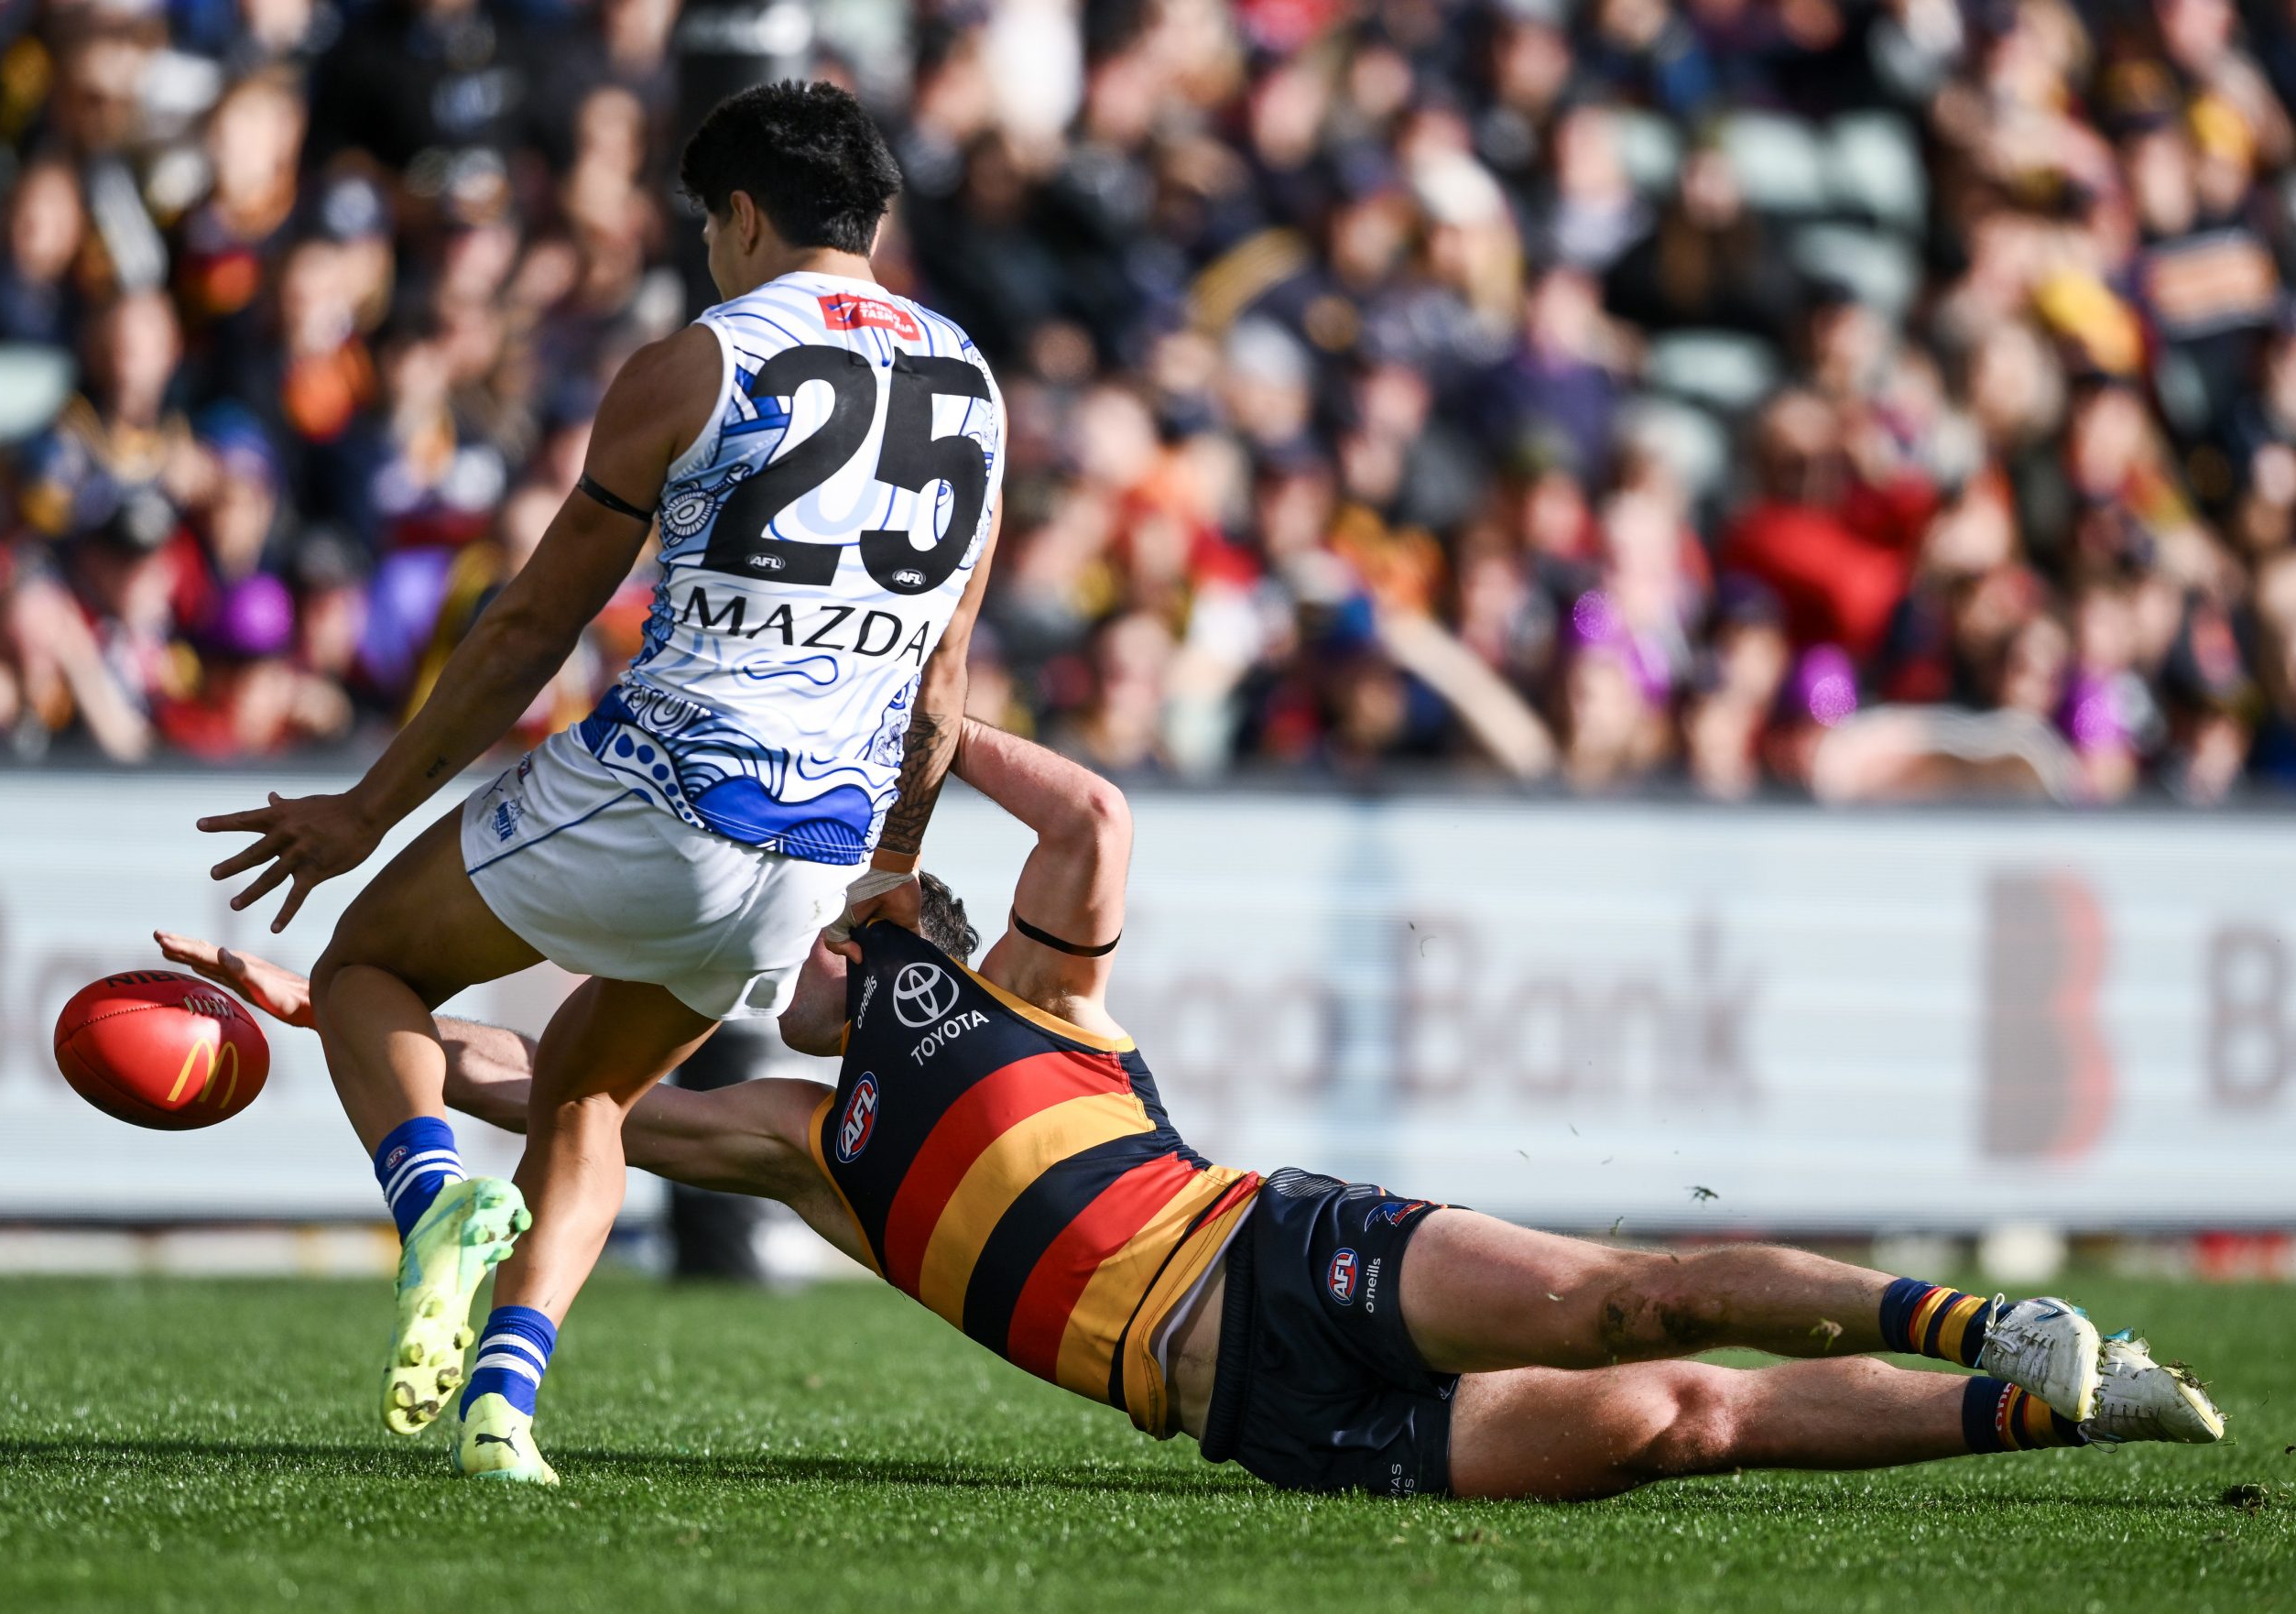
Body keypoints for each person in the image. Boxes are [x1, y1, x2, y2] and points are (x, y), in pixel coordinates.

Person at [160, 725, 2225, 1492]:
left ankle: (1968, 1317)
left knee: (1629, 1294)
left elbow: (1096, 810)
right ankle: (2047, 1404)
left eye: (783, 935)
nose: (742, 968)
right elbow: (535, 1079)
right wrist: (327, 1002)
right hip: (1260, 1420)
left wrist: (936, 734)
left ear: (856, 921)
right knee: (1668, 1415)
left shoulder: (1028, 987)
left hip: (1281, 1240)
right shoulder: (806, 1137)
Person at [192, 82, 1007, 1477]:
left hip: (658, 788)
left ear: (741, 216)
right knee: (587, 1096)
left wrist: (364, 811)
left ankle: (435, 1196)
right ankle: (503, 1412)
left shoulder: (698, 360)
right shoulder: (976, 389)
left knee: (365, 968)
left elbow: (530, 622)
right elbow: (941, 690)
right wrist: (881, 875)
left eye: (710, 224)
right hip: (810, 850)